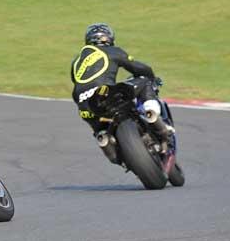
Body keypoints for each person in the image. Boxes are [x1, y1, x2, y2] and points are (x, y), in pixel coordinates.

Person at [70, 23, 174, 162]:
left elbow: (78, 81)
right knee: (144, 80)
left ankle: (104, 140)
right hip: (106, 94)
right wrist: (152, 77)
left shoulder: (77, 61)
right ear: (110, 38)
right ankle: (151, 114)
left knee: (99, 130)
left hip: (85, 105)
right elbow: (138, 68)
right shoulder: (112, 51)